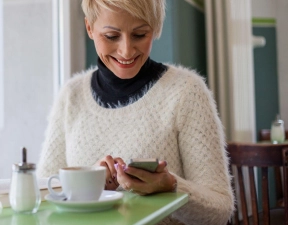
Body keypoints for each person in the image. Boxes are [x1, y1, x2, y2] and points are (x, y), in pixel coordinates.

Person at [37, 0, 234, 224]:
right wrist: (89, 183)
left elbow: (220, 211)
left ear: (155, 28)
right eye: (111, 36)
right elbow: (43, 195)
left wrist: (172, 187)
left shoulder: (186, 93)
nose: (126, 50)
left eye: (140, 34)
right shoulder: (71, 97)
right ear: (90, 27)